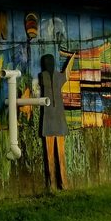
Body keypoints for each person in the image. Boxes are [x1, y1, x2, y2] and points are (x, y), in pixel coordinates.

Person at [38, 53, 69, 190]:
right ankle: (57, 182)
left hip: (54, 117)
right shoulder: (46, 76)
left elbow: (66, 73)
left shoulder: (52, 76)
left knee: (57, 154)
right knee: (54, 154)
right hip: (51, 117)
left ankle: (59, 182)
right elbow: (66, 74)